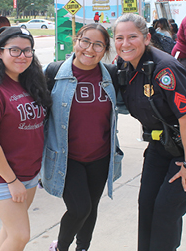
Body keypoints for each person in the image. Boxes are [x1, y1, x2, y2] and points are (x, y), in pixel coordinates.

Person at [113, 13, 186, 251]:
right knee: (146, 204)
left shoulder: (164, 69)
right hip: (161, 143)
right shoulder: (125, 66)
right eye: (119, 38)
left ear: (147, 38)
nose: (125, 44)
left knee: (166, 210)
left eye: (132, 37)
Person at [0, 26, 50, 251]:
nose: (22, 56)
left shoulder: (29, 83)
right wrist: (12, 182)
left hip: (28, 172)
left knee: (11, 230)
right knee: (20, 235)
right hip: (1, 176)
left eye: (27, 51)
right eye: (14, 50)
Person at [42, 23, 122, 251]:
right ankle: (61, 247)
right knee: (80, 208)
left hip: (100, 156)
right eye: (85, 41)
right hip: (67, 158)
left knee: (92, 207)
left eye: (98, 44)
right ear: (76, 41)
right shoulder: (54, 73)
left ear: (106, 49)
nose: (90, 49)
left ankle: (83, 248)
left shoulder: (112, 75)